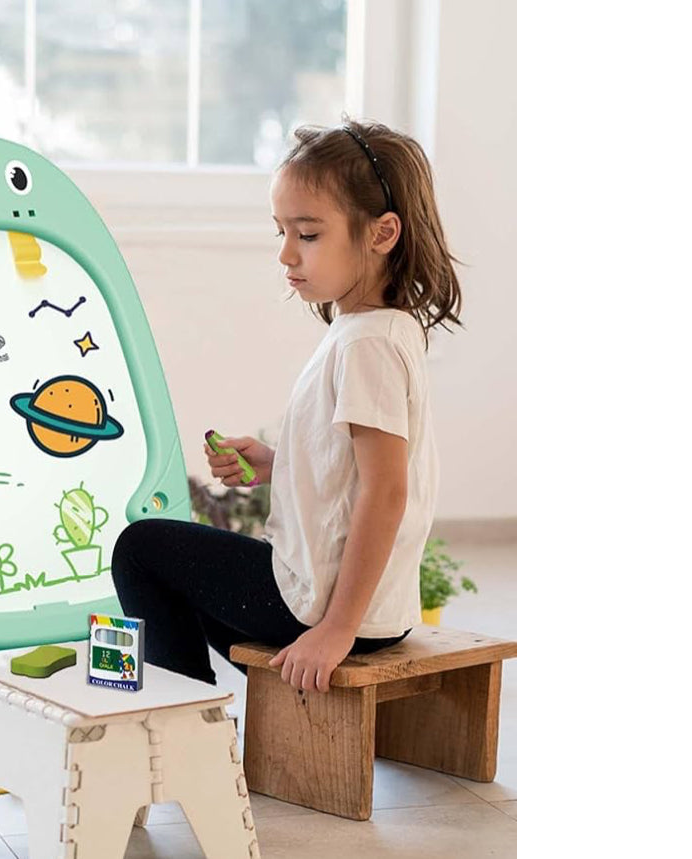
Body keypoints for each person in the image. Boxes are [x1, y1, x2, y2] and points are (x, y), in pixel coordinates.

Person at [111, 117, 462, 693]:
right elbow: (353, 469)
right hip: (369, 611)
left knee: (141, 549)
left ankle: (183, 723)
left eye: (308, 234)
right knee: (194, 579)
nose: (285, 254)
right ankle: (213, 709)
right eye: (281, 231)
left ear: (382, 234)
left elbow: (386, 491)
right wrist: (280, 464)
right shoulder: (379, 330)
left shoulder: (367, 343)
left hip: (326, 608)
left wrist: (336, 630)